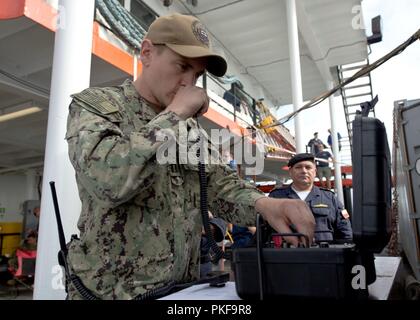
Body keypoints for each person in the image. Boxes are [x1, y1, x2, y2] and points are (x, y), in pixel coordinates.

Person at [65, 13, 315, 300]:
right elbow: (109, 182)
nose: (188, 83)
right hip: (108, 293)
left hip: (179, 292)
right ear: (146, 53)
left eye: (196, 76)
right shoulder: (99, 107)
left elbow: (221, 186)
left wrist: (265, 205)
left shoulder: (189, 129)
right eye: (182, 66)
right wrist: (174, 115)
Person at [269, 153, 352, 243]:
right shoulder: (275, 197)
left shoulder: (330, 198)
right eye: (298, 167)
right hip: (285, 254)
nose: (304, 171)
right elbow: (264, 230)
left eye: (308, 167)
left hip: (324, 254)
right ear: (290, 172)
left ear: (315, 172)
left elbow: (345, 230)